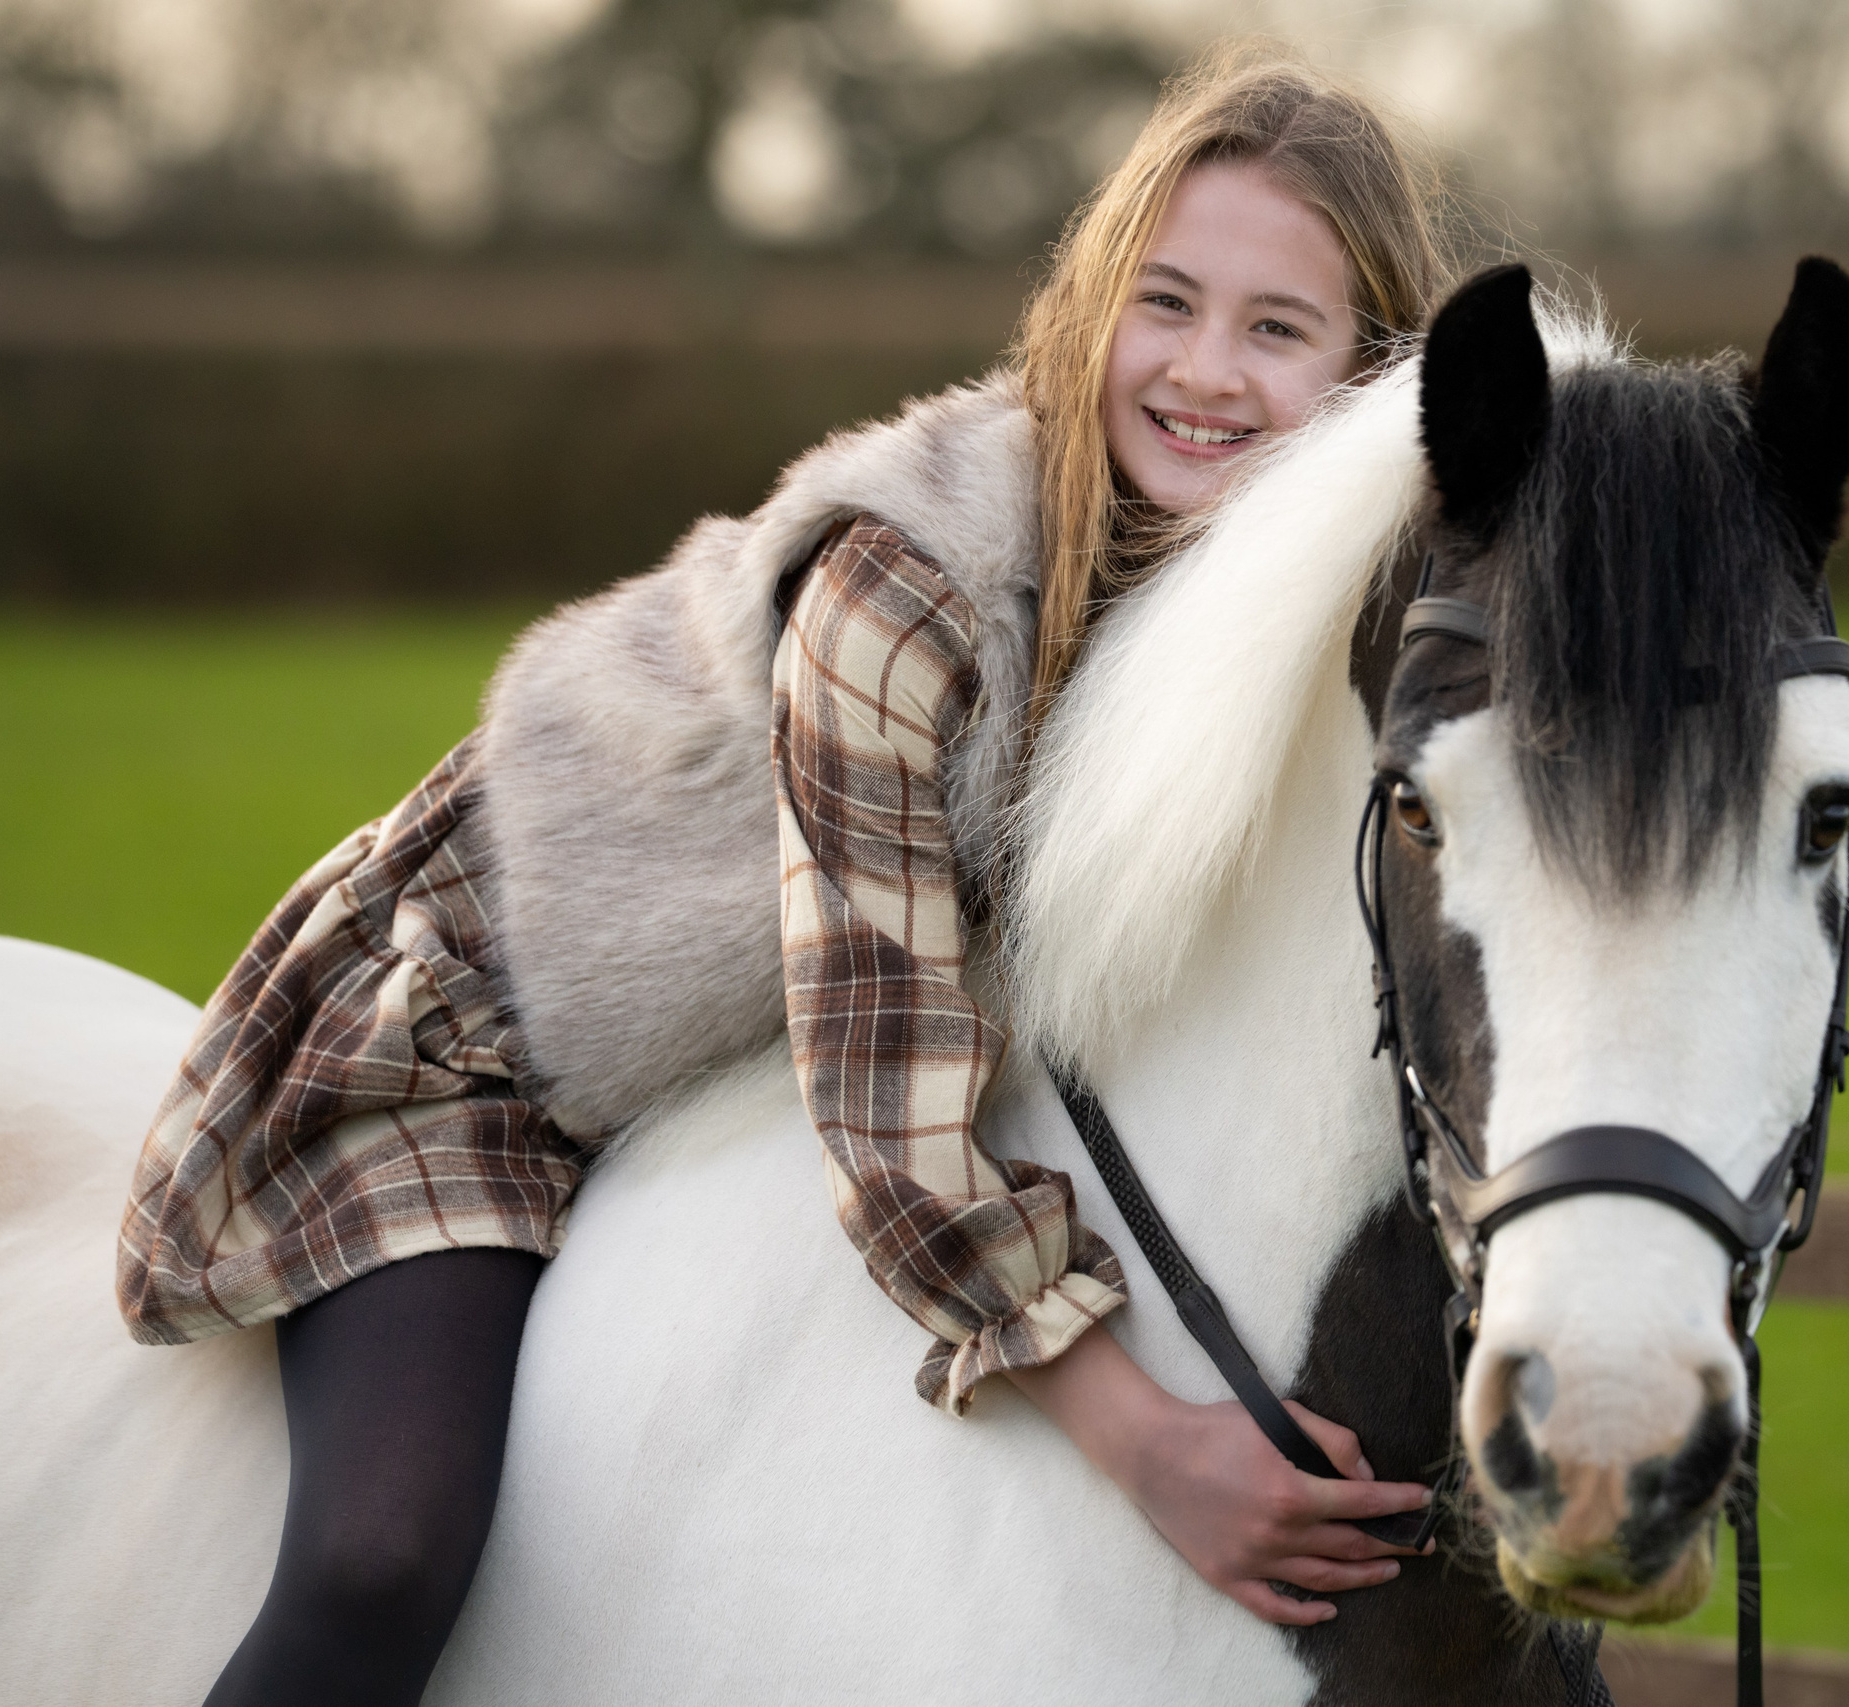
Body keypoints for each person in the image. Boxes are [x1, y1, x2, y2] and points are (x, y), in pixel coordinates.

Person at [116, 43, 1453, 1707]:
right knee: (382, 1551)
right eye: (1164, 301)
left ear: (1371, 377)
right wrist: (1150, 1441)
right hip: (470, 1032)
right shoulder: (910, 588)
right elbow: (891, 1088)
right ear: (1091, 304)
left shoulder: (1298, 614)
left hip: (738, 1054)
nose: (1204, 371)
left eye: (1278, 327)